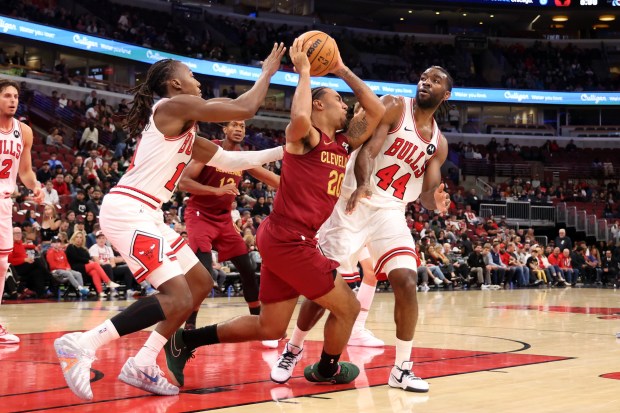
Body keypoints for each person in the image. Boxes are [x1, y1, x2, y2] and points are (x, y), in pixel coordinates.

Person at [53, 44, 287, 400]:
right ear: (175, 84)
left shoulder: (186, 130)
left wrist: (285, 150)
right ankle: (82, 343)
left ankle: (144, 362)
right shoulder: (171, 106)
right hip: (129, 209)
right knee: (176, 296)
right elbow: (245, 107)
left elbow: (230, 160)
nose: (196, 81)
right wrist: (267, 72)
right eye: (190, 75)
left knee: (200, 283)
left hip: (149, 213)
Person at [164, 37, 384, 388]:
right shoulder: (304, 136)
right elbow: (298, 115)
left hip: (285, 238)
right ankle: (327, 369)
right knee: (349, 307)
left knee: (270, 327)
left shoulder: (343, 143)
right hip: (290, 240)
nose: (346, 105)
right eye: (338, 100)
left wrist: (341, 68)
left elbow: (376, 111)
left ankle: (184, 341)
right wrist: (305, 71)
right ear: (318, 105)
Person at [270, 66, 452, 393]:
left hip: (391, 211)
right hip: (352, 201)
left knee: (407, 280)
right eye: (424, 77)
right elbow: (367, 149)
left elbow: (425, 195)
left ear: (446, 94)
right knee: (324, 285)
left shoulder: (439, 144)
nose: (426, 82)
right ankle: (293, 349)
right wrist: (364, 184)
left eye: (435, 80)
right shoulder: (395, 106)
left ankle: (402, 369)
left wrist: (435, 201)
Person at [178, 120, 280, 348]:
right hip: (200, 215)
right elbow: (183, 181)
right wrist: (216, 190)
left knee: (247, 268)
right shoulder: (210, 149)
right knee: (204, 276)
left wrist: (304, 188)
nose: (238, 129)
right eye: (234, 125)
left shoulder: (242, 157)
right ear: (224, 129)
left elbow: (270, 178)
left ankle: (259, 321)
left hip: (224, 219)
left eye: (242, 126)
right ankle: (189, 324)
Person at [0, 79, 44, 344]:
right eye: (6, 96)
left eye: (15, 96)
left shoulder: (24, 131)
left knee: (2, 263)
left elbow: (25, 172)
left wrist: (36, 187)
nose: (13, 100)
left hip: (5, 201)